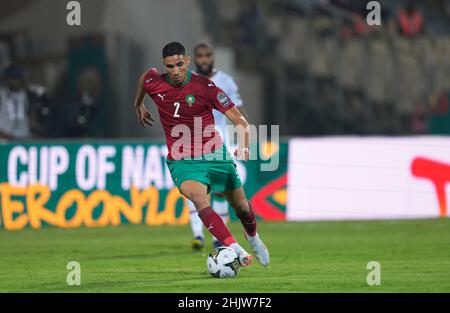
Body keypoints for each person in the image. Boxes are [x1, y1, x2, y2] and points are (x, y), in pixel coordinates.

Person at [133, 42, 269, 267]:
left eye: (179, 64)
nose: (175, 71)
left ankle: (253, 238)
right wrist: (137, 104)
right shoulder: (154, 81)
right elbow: (144, 79)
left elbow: (240, 120)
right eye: (170, 66)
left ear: (187, 61)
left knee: (243, 208)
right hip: (183, 160)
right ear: (164, 66)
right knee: (199, 200)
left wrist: (244, 145)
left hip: (215, 154)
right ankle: (234, 249)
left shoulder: (205, 87)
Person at [189, 43, 247, 250]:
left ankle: (217, 236)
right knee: (195, 186)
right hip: (191, 137)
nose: (204, 59)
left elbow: (236, 110)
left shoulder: (225, 81)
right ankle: (198, 234)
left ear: (212, 57)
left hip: (219, 137)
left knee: (221, 189)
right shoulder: (188, 81)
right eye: (200, 56)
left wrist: (243, 138)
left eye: (207, 55)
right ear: (194, 58)